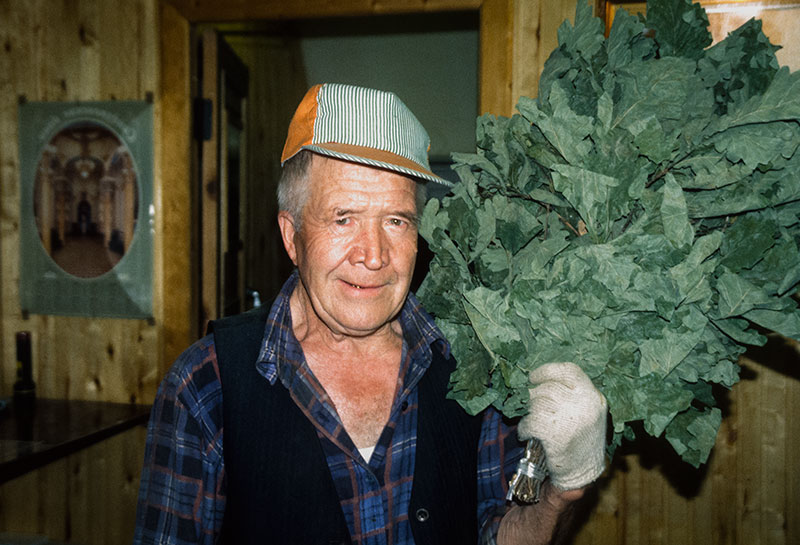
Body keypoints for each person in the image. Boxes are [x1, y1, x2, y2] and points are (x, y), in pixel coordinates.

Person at [133, 83, 607, 545]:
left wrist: (563, 491)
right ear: (292, 236)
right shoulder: (205, 385)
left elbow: (497, 532)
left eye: (396, 221)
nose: (374, 255)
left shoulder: (471, 359)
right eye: (344, 219)